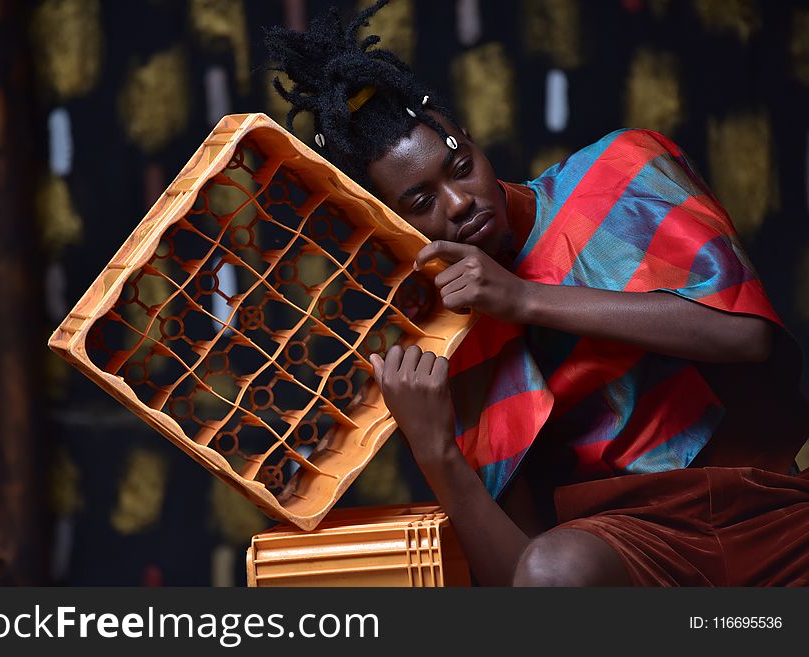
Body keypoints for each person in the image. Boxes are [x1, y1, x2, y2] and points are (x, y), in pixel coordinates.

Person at [264, 0, 809, 586]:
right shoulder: (451, 342)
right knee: (555, 569)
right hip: (635, 546)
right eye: (420, 203)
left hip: (765, 499)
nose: (459, 201)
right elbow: (518, 578)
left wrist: (522, 299)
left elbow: (748, 334)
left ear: (469, 139)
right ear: (388, 226)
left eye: (460, 165)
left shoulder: (617, 172)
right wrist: (437, 455)